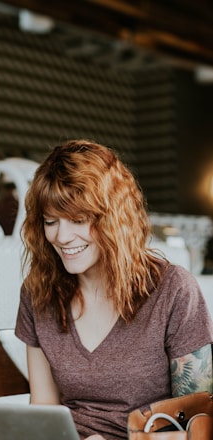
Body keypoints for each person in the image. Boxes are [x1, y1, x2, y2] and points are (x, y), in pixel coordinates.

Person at [15, 139, 213, 440]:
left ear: (114, 218)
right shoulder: (38, 293)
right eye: (50, 221)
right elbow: (43, 413)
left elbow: (200, 424)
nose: (62, 236)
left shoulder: (173, 290)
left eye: (79, 220)